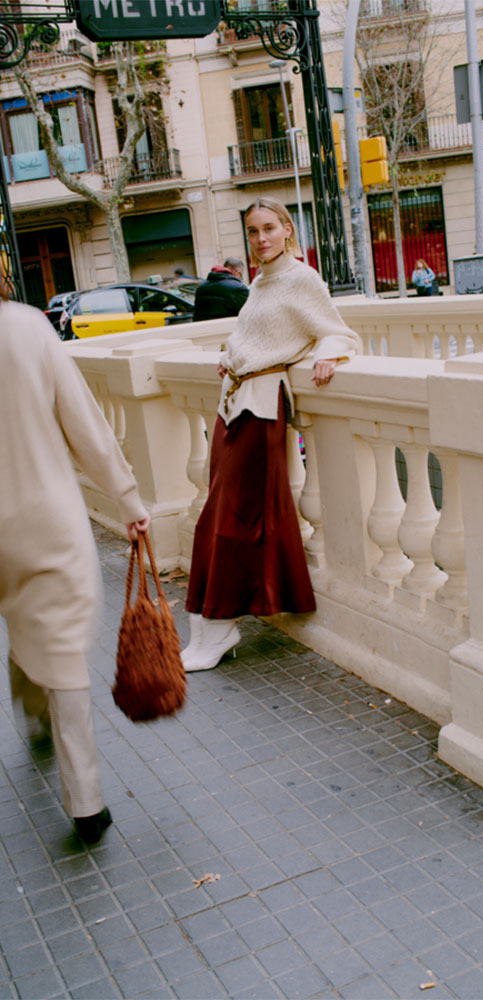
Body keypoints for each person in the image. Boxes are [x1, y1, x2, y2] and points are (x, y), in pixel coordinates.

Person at [181, 197, 362, 673]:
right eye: (253, 232)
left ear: (286, 228)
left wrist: (330, 353)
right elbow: (251, 334)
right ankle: (206, 623)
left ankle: (220, 626)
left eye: (269, 228)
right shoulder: (259, 281)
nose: (261, 239)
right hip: (233, 402)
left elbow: (338, 330)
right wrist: (230, 354)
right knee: (214, 513)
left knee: (236, 516)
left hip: (261, 408)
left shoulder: (302, 278)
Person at [0, 280, 150, 845]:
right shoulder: (28, 327)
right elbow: (83, 423)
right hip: (44, 519)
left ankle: (33, 712)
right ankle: (85, 802)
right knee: (59, 643)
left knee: (21, 615)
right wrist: (128, 498)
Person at [193, 257, 249, 321]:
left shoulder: (201, 288)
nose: (240, 279)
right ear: (236, 272)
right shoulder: (239, 288)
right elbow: (247, 316)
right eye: (241, 276)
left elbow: (196, 316)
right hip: (228, 329)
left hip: (205, 329)